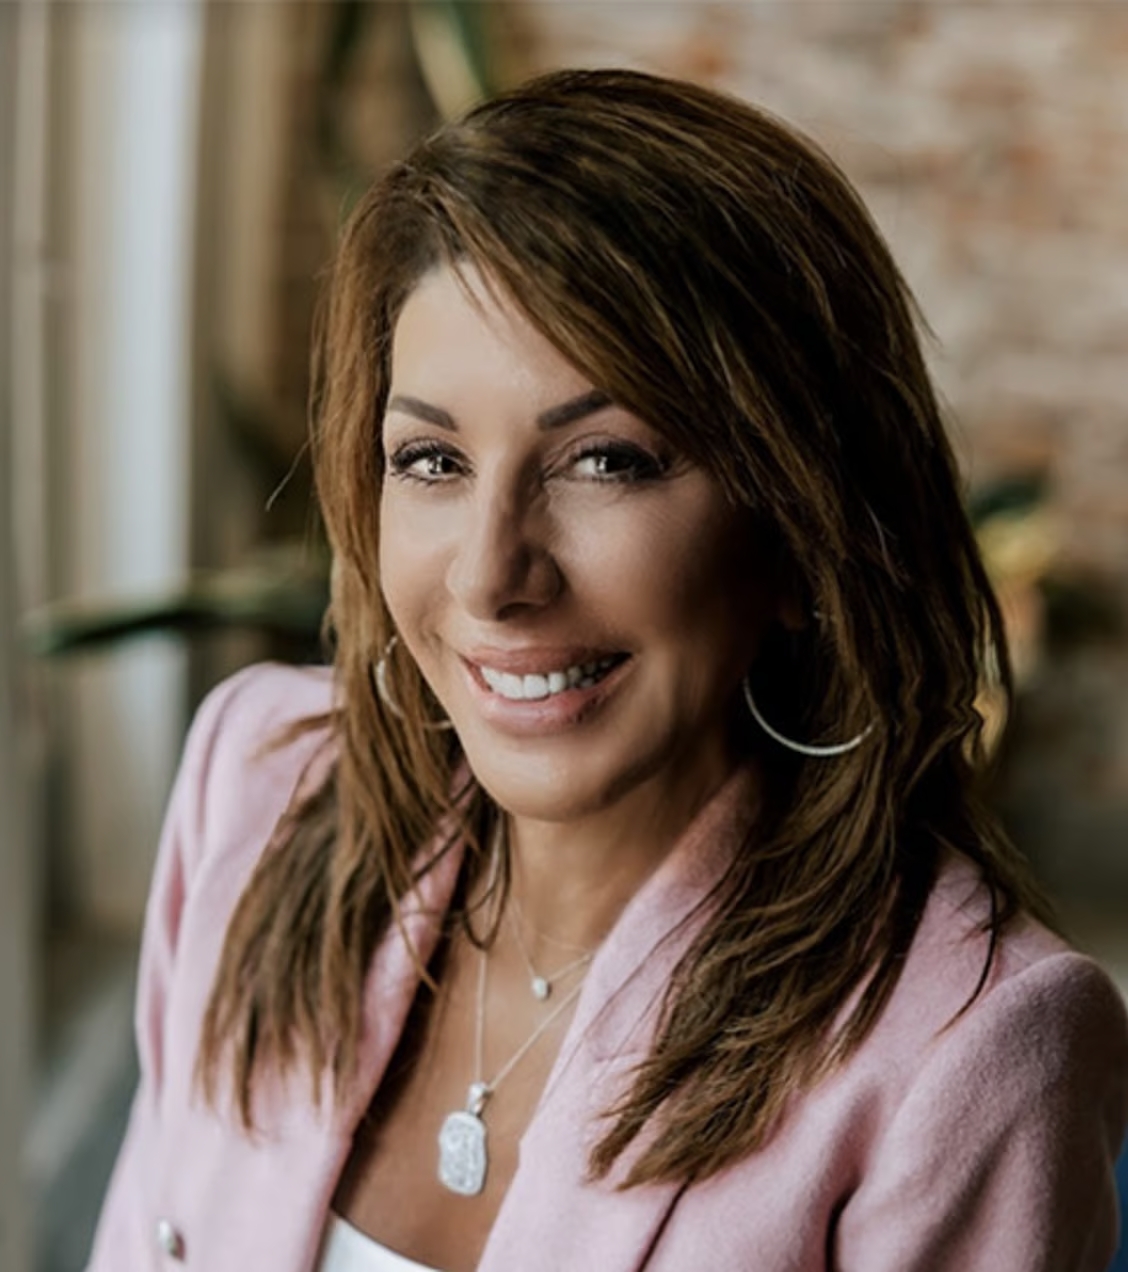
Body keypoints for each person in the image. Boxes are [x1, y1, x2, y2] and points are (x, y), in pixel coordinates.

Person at [87, 68, 1128, 1272]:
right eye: (430, 460)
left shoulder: (969, 1051)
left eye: (607, 461)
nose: (492, 577)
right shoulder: (255, 786)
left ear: (801, 532)